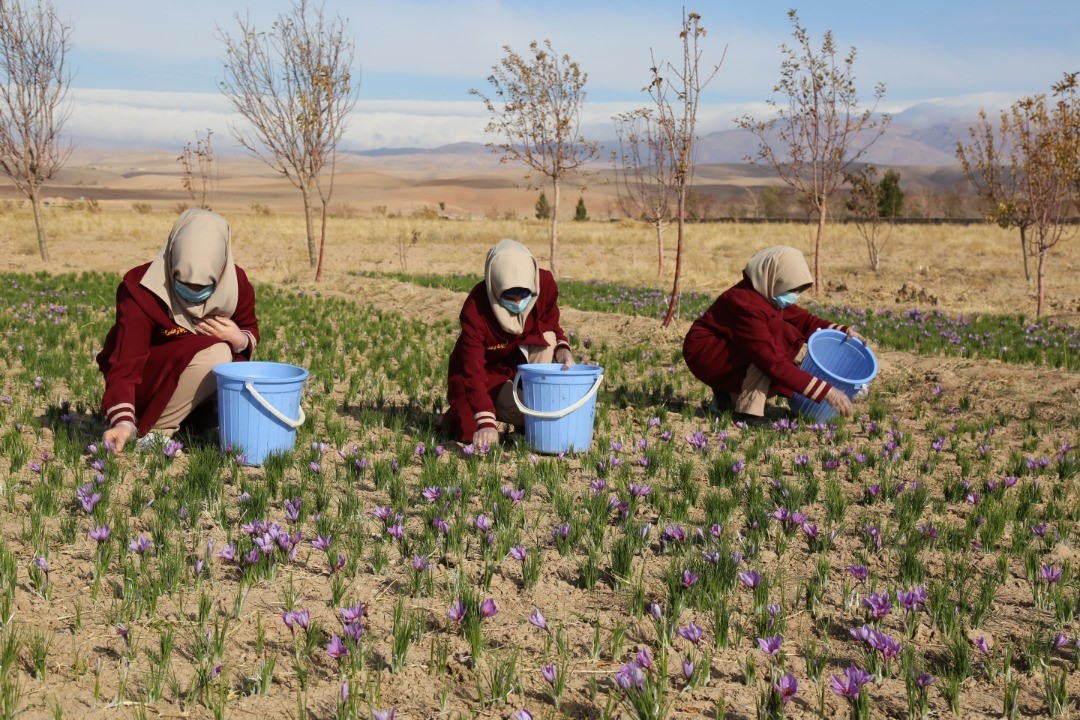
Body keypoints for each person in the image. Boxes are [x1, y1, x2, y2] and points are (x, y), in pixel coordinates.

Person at [97, 209, 260, 452]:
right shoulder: (141, 288)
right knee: (217, 353)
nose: (194, 291)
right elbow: (125, 362)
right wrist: (123, 420)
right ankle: (156, 431)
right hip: (151, 383)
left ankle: (201, 420)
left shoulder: (236, 283)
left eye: (204, 285)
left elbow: (249, 328)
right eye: (183, 282)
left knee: (231, 358)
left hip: (196, 390)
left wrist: (239, 339)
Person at [683, 245, 866, 422]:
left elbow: (805, 321)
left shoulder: (766, 293)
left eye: (799, 290)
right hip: (707, 354)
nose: (796, 295)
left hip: (727, 349)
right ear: (774, 277)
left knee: (779, 339)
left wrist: (843, 331)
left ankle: (728, 397)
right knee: (780, 336)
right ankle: (748, 412)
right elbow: (771, 361)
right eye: (792, 289)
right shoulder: (745, 303)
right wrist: (827, 392)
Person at [442, 239, 574, 447]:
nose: (517, 302)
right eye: (509, 295)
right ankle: (490, 409)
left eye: (523, 294)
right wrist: (486, 422)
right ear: (494, 285)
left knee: (547, 337)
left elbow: (550, 322)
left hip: (518, 364)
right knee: (467, 431)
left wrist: (561, 347)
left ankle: (532, 402)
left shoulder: (544, 284)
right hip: (484, 373)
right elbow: (473, 370)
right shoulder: (476, 309)